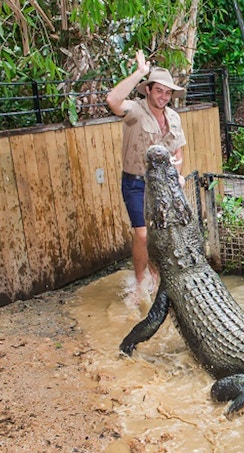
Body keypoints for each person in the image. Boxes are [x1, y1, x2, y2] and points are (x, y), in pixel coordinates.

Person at [106, 50, 186, 298]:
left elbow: (179, 154)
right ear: (148, 90)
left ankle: (156, 276)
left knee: (159, 235)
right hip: (136, 182)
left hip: (162, 185)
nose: (163, 96)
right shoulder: (135, 111)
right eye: (159, 90)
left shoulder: (173, 117)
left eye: (168, 92)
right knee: (141, 234)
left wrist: (177, 174)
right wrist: (139, 72)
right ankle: (140, 284)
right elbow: (112, 100)